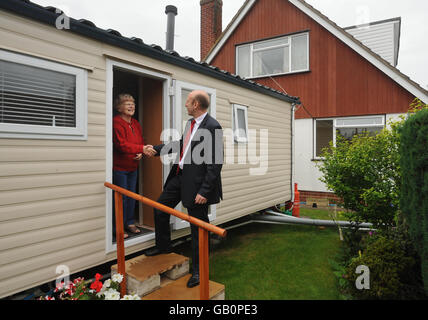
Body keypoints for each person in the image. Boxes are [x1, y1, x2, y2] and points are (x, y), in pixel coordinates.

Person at [145, 90, 223, 288]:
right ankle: (163, 247)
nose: (186, 105)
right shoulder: (190, 124)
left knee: (198, 230)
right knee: (160, 208)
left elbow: (216, 162)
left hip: (197, 186)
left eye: (188, 102)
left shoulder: (213, 126)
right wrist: (156, 149)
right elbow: (182, 145)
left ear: (196, 104)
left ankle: (199, 271)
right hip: (179, 177)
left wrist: (204, 191)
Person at [112, 93, 156, 239]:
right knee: (121, 198)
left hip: (133, 167)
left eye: (133, 103)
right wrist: (141, 149)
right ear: (119, 107)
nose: (131, 106)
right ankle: (117, 227)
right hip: (119, 168)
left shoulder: (136, 123)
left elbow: (139, 142)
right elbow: (121, 145)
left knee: (132, 196)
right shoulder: (116, 122)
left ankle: (130, 223)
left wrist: (140, 153)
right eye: (127, 103)